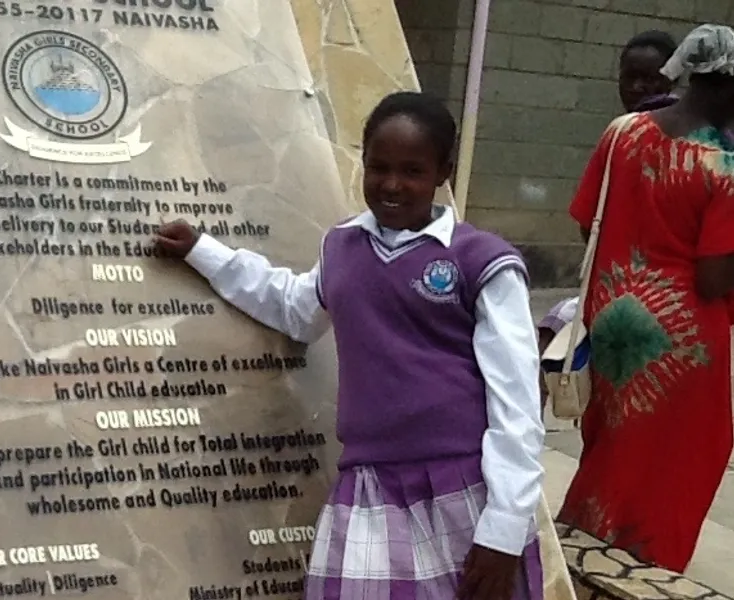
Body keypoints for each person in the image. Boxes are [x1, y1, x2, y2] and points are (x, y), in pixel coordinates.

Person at [154, 92, 546, 599]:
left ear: (443, 172)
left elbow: (517, 403)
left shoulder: (480, 261)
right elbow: (294, 308)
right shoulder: (342, 246)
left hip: (462, 486)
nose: (392, 184)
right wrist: (203, 252)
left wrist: (504, 529)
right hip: (369, 485)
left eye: (412, 171)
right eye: (379, 167)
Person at [556, 24, 734, 573]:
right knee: (681, 459)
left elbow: (588, 220)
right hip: (682, 343)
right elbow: (714, 279)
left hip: (611, 317)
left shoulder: (622, 132)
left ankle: (584, 551)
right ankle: (643, 570)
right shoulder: (724, 162)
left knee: (610, 449)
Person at [537, 30, 679, 356]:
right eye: (629, 77)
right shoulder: (625, 133)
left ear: (672, 79)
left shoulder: (624, 135)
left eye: (649, 79)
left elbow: (588, 224)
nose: (637, 88)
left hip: (638, 290)